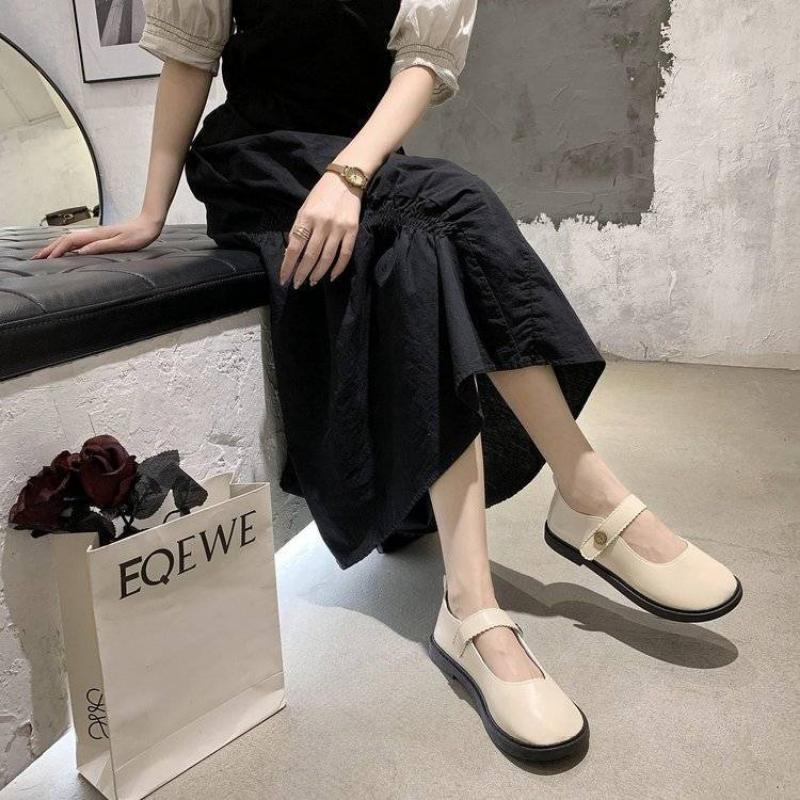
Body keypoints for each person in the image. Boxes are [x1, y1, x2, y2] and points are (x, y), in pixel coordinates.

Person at [32, 0, 742, 762]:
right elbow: (190, 54)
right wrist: (150, 210)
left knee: (430, 233)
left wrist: (350, 173)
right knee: (439, 212)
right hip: (257, 161)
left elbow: (422, 65)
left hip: (361, 159)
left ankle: (478, 599)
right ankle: (579, 503)